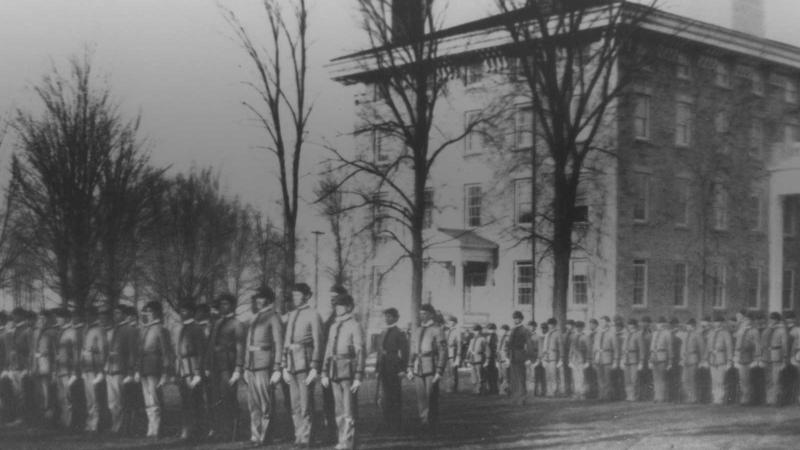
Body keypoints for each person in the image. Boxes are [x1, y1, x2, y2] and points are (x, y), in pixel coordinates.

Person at [321, 293, 366, 450]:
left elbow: (360, 351)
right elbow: (328, 350)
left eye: (341, 305)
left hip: (348, 371)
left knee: (348, 410)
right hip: (334, 370)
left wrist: (359, 375)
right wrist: (324, 372)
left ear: (349, 307)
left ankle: (349, 442)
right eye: (336, 305)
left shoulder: (355, 325)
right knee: (338, 409)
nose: (337, 308)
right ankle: (342, 440)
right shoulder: (333, 326)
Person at [282, 283, 323, 447]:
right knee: (295, 405)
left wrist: (315, 366)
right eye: (294, 295)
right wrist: (284, 364)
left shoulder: (313, 315)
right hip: (291, 363)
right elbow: (286, 341)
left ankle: (306, 438)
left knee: (306, 404)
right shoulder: (291, 315)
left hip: (305, 362)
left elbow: (318, 342)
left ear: (306, 296)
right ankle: (298, 436)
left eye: (298, 295)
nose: (295, 298)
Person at [243, 287, 283, 445]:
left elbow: (278, 343)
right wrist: (246, 366)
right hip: (252, 365)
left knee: (266, 403)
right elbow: (248, 344)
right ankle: (255, 435)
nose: (259, 301)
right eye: (257, 298)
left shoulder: (273, 317)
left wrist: (277, 367)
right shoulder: (254, 318)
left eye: (262, 298)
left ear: (269, 300)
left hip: (264, 364)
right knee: (253, 404)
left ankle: (266, 436)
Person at [206, 293, 245, 441]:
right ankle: (220, 430)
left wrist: (238, 368)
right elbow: (211, 346)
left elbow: (240, 347)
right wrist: (208, 366)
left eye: (226, 304)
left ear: (232, 306)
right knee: (216, 399)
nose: (223, 307)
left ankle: (233, 431)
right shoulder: (217, 323)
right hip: (216, 366)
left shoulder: (237, 324)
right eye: (221, 304)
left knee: (228, 398)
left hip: (228, 366)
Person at [406, 303, 447, 432]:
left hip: (431, 365)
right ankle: (423, 420)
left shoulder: (437, 330)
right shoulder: (417, 330)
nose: (421, 316)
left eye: (425, 313)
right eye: (420, 313)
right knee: (421, 396)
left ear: (431, 314)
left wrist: (440, 370)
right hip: (418, 366)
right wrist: (410, 366)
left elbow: (443, 351)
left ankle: (432, 422)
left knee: (431, 395)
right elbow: (412, 350)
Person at [136, 301, 173, 438]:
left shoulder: (161, 329)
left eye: (150, 312)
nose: (148, 315)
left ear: (157, 313)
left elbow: (166, 352)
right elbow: (140, 351)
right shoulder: (145, 329)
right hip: (144, 368)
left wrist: (165, 372)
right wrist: (137, 369)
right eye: (146, 312)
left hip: (155, 367)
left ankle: (157, 427)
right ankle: (150, 427)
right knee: (147, 398)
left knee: (154, 397)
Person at [175, 300, 208, 441]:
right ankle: (187, 429)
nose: (182, 313)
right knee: (185, 402)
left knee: (195, 402)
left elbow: (201, 352)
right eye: (181, 311)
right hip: (183, 368)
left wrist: (197, 373)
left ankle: (198, 430)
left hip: (193, 367)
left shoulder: (196, 328)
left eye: (185, 311)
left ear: (191, 312)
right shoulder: (182, 328)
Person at [105, 304, 138, 435]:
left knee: (121, 401)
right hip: (111, 369)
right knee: (112, 401)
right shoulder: (115, 330)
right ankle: (115, 426)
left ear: (124, 315)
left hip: (121, 369)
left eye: (118, 313)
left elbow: (132, 352)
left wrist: (130, 371)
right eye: (114, 313)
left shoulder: (129, 330)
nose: (115, 316)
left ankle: (121, 427)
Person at [375, 307, 408, 430]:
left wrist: (402, 368)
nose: (386, 319)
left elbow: (404, 352)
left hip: (394, 366)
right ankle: (387, 420)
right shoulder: (383, 332)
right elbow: (379, 352)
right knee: (385, 395)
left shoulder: (399, 333)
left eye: (389, 316)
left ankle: (396, 421)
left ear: (395, 318)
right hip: (384, 366)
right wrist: (377, 368)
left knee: (395, 395)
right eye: (385, 316)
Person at [80, 306, 107, 433]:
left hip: (95, 367)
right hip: (87, 367)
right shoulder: (86, 329)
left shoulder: (99, 330)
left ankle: (96, 423)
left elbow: (102, 350)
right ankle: (90, 422)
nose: (87, 317)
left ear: (94, 316)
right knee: (89, 397)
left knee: (96, 397)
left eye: (90, 315)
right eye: (86, 315)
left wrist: (101, 369)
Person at [32, 309, 58, 424]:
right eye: (39, 319)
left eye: (43, 319)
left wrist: (54, 369)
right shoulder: (36, 332)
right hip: (37, 365)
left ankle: (50, 418)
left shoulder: (52, 332)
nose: (41, 321)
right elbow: (32, 351)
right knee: (39, 392)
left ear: (48, 319)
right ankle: (41, 417)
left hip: (47, 365)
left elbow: (55, 351)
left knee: (48, 392)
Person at [759, 312, 788, 406]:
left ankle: (777, 400)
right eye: (771, 319)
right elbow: (763, 342)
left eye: (774, 319)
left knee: (776, 379)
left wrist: (784, 358)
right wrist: (761, 357)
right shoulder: (767, 329)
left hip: (777, 356)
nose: (772, 321)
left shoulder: (782, 330)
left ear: (778, 320)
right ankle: (769, 400)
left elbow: (785, 345)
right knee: (768, 379)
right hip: (767, 356)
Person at [734, 312, 760, 405]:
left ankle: (748, 399)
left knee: (748, 378)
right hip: (741, 356)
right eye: (744, 320)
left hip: (749, 356)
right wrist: (736, 355)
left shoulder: (754, 331)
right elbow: (737, 342)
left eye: (748, 320)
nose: (745, 322)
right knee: (742, 379)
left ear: (751, 321)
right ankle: (744, 398)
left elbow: (757, 345)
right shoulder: (741, 330)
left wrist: (757, 357)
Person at [679, 318, 706, 404]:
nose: (687, 327)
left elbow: (702, 348)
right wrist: (681, 357)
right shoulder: (686, 335)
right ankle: (688, 397)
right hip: (685, 359)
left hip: (693, 358)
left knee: (692, 379)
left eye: (689, 325)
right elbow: (682, 347)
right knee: (684, 379)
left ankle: (693, 398)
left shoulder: (697, 334)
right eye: (687, 325)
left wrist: (702, 360)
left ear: (693, 326)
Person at [507, 312, 530, 405]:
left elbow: (529, 344)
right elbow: (509, 344)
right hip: (513, 356)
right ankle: (515, 398)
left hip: (520, 355)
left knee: (521, 378)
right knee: (514, 378)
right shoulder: (513, 329)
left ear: (521, 319)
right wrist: (508, 356)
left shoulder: (524, 330)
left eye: (518, 318)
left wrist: (528, 358)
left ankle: (522, 399)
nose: (516, 320)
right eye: (514, 318)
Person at [594, 316, 619, 401]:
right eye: (600, 322)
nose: (602, 324)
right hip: (599, 357)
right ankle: (601, 396)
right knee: (599, 378)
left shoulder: (612, 333)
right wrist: (594, 357)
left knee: (607, 378)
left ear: (608, 323)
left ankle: (607, 396)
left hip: (608, 357)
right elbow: (594, 347)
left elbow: (616, 348)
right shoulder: (598, 333)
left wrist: (615, 360)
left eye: (603, 322)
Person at [648, 317, 672, 403]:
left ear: (665, 325)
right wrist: (650, 360)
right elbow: (651, 347)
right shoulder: (654, 333)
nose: (660, 325)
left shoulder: (667, 334)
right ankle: (656, 396)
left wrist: (670, 362)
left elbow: (669, 348)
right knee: (655, 378)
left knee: (662, 378)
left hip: (662, 356)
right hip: (654, 357)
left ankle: (662, 397)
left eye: (662, 324)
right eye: (658, 323)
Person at [621, 318, 644, 402]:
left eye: (632, 325)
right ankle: (629, 396)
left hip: (634, 359)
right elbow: (623, 348)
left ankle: (635, 396)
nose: (630, 326)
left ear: (635, 326)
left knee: (634, 379)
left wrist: (641, 361)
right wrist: (622, 359)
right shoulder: (627, 334)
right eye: (629, 325)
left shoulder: (638, 334)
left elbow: (641, 349)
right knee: (627, 379)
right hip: (626, 359)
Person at [568, 321, 590, 400]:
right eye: (577, 327)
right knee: (575, 378)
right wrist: (570, 360)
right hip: (574, 360)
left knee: (582, 378)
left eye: (580, 327)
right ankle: (576, 393)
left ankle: (582, 394)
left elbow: (588, 350)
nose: (578, 329)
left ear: (582, 328)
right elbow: (571, 349)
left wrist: (587, 361)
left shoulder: (585, 337)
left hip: (581, 359)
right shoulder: (573, 336)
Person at [541, 318, 562, 397]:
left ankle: (554, 391)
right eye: (549, 324)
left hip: (554, 357)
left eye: (552, 324)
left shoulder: (557, 333)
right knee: (548, 375)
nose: (550, 326)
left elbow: (560, 346)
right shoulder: (547, 334)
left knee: (553, 375)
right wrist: (543, 358)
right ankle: (549, 391)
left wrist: (561, 358)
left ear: (555, 325)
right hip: (547, 357)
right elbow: (544, 347)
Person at [467, 324, 486, 394]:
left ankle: (482, 390)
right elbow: (469, 349)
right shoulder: (472, 340)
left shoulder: (483, 339)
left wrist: (485, 359)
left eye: (477, 331)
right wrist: (467, 358)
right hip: (472, 359)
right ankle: (475, 390)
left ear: (480, 331)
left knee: (480, 374)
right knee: (473, 375)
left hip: (479, 358)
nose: (476, 332)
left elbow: (485, 349)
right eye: (475, 331)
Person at [445, 316, 461, 394]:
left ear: (454, 322)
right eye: (448, 321)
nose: (449, 323)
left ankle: (454, 388)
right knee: (448, 371)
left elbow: (459, 344)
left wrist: (458, 356)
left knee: (453, 372)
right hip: (447, 353)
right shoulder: (447, 332)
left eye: (451, 321)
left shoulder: (457, 332)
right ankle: (449, 387)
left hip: (453, 353)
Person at [484, 323, 499, 395]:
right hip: (489, 357)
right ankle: (491, 389)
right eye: (490, 329)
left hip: (493, 357)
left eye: (492, 329)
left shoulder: (495, 337)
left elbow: (494, 348)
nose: (491, 330)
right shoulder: (487, 337)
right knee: (488, 374)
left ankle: (494, 389)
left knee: (493, 374)